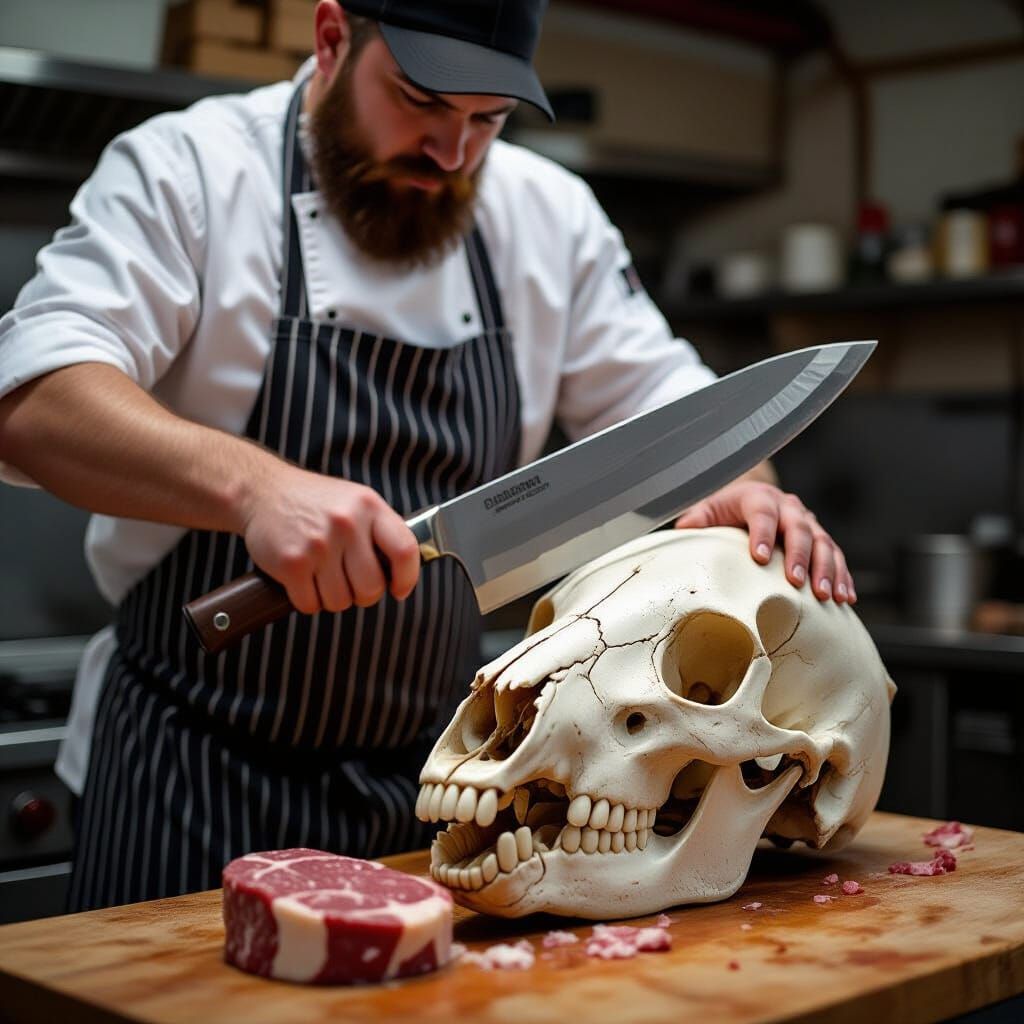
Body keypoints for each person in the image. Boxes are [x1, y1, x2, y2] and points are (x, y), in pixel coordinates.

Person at [0, 0, 855, 912]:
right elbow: (32, 398)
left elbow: (673, 405)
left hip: (453, 778)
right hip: (190, 767)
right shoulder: (191, 169)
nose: (452, 154)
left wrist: (742, 487)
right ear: (331, 41)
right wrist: (255, 489)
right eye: (419, 102)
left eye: (486, 120)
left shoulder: (546, 214)